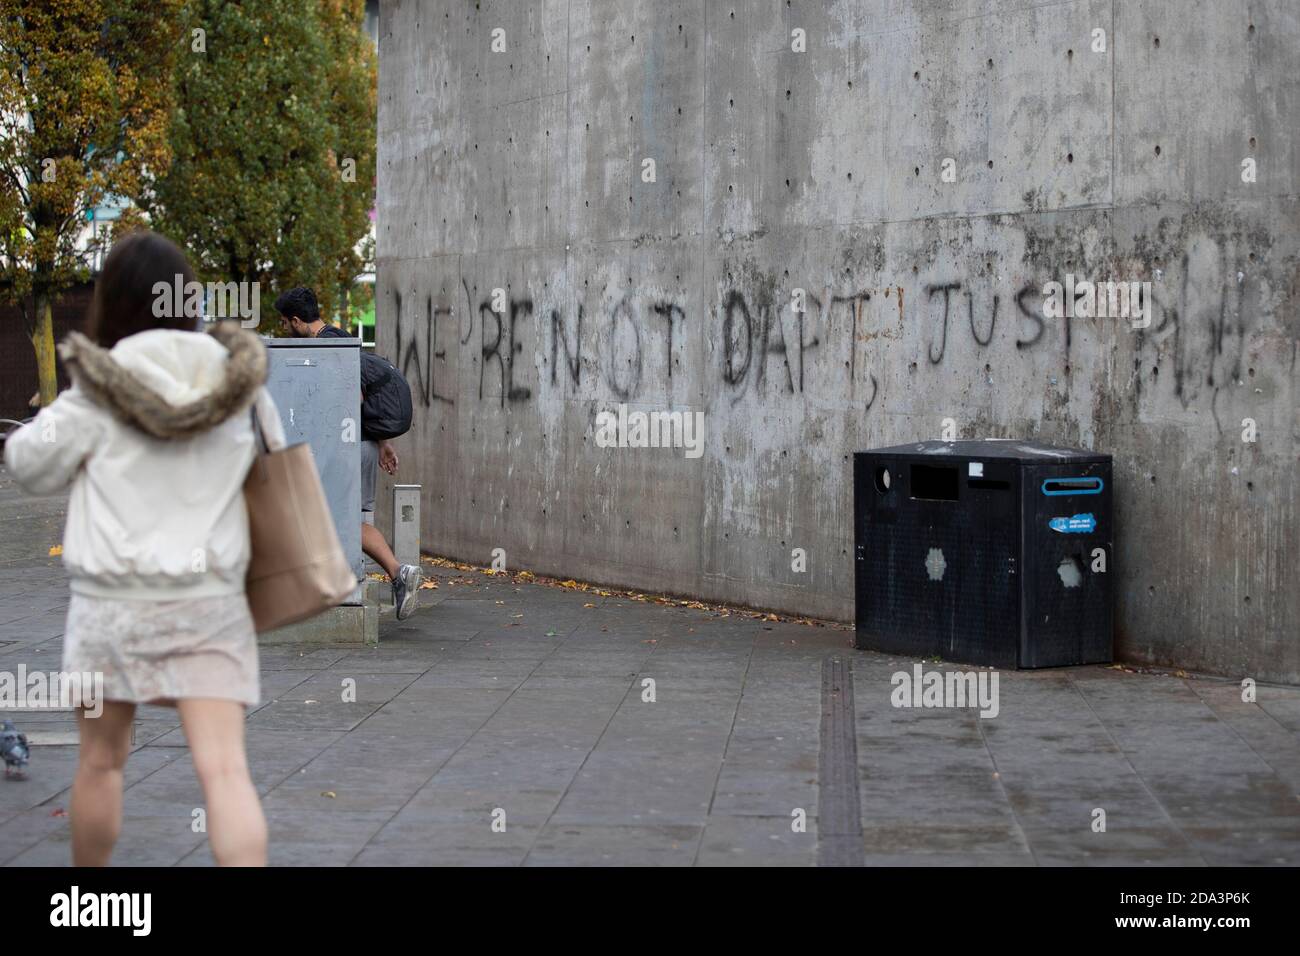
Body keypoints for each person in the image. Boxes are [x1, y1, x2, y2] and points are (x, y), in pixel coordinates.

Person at [4, 231, 282, 866]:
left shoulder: (99, 385)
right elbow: (272, 459)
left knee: (101, 765)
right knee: (226, 774)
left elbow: (26, 463)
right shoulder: (239, 384)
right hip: (209, 604)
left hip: (111, 609)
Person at [272, 286, 420, 618]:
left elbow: (352, 397)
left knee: (333, 516)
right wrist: (382, 443)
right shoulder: (341, 337)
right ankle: (388, 577)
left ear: (296, 321)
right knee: (353, 518)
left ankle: (395, 573)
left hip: (349, 446)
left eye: (284, 324)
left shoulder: (327, 347)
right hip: (364, 444)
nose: (284, 330)